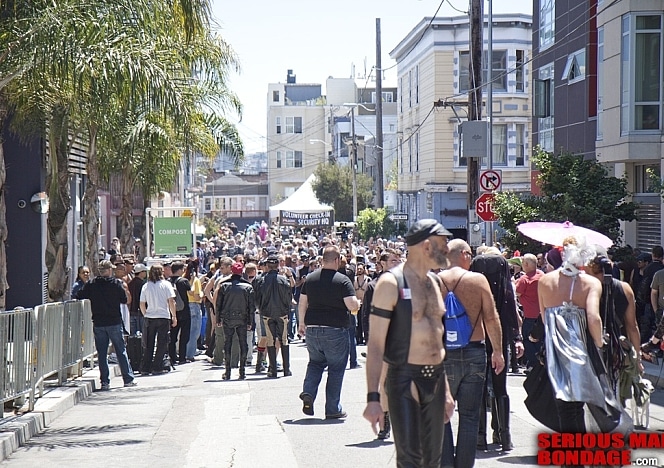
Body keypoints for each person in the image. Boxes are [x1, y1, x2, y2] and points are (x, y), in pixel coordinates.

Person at [363, 219, 455, 467]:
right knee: (411, 460)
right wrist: (373, 397)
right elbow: (375, 345)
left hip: (435, 378)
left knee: (433, 461)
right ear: (427, 246)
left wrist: (446, 391)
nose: (447, 249)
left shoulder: (435, 283)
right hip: (404, 378)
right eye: (443, 243)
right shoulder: (390, 283)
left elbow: (438, 342)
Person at [440, 239, 505, 468]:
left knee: (442, 416)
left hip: (444, 354)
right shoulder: (478, 280)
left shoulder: (434, 281)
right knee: (469, 418)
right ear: (465, 255)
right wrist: (497, 351)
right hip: (475, 351)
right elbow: (491, 316)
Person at [537, 237, 605, 433]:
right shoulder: (591, 283)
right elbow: (594, 318)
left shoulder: (544, 281)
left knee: (564, 408)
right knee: (579, 406)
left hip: (556, 352)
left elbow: (544, 319)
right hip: (583, 350)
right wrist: (599, 343)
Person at [298, 245, 360, 420]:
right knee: (336, 368)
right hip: (335, 330)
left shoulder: (310, 279)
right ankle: (332, 408)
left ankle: (308, 392)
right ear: (337, 260)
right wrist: (358, 305)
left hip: (312, 328)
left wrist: (301, 323)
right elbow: (351, 305)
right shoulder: (342, 280)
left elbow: (303, 303)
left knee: (315, 363)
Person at [471, 247, 523, 452]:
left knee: (480, 388)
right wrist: (517, 338)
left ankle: (480, 437)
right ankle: (504, 435)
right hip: (499, 338)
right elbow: (511, 312)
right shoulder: (504, 284)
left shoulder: (472, 283)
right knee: (501, 387)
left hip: (477, 338)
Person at [76, 260, 136, 390]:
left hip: (98, 322)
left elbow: (79, 295)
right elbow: (124, 300)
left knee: (102, 354)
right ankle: (128, 379)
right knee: (121, 351)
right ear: (109, 270)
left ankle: (105, 382)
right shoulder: (116, 284)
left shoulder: (92, 284)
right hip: (114, 321)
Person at [255, 254, 293, 378]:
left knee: (271, 340)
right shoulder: (283, 280)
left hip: (267, 313)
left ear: (267, 266)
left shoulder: (261, 280)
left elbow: (257, 298)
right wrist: (286, 310)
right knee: (284, 339)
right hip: (282, 313)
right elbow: (288, 297)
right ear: (277, 266)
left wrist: (261, 309)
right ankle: (286, 369)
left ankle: (273, 370)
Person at [216, 262, 255, 380]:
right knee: (243, 343)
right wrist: (250, 322)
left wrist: (218, 318)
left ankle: (227, 371)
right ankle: (242, 371)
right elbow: (251, 307)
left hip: (228, 318)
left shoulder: (224, 286)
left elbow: (219, 304)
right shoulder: (248, 287)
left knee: (228, 343)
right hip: (242, 318)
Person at [139, 264, 177, 375]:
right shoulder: (166, 285)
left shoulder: (146, 286)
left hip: (150, 317)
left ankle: (146, 367)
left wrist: (145, 314)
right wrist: (174, 316)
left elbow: (142, 303)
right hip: (163, 316)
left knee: (149, 343)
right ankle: (157, 366)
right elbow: (171, 301)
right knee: (162, 343)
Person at [515, 254, 544, 370]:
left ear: (526, 264)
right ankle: (540, 365)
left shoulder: (524, 279)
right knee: (540, 341)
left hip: (530, 315)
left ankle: (533, 365)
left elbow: (517, 293)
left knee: (528, 340)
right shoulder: (543, 276)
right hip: (542, 315)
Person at [168, 261, 192, 365]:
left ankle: (172, 358)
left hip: (172, 312)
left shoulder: (167, 281)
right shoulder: (183, 281)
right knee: (184, 335)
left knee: (172, 336)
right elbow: (190, 291)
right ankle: (182, 357)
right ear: (180, 270)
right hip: (184, 311)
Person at [184, 259, 203, 362]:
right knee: (194, 332)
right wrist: (201, 295)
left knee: (186, 331)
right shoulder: (196, 280)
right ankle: (190, 354)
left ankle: (184, 351)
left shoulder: (183, 278)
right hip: (194, 306)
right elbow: (196, 296)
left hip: (185, 306)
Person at [128, 263, 149, 335]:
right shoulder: (143, 284)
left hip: (131, 312)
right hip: (141, 312)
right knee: (143, 335)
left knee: (132, 335)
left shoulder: (130, 283)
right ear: (141, 272)